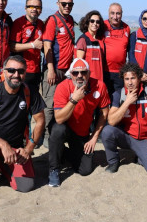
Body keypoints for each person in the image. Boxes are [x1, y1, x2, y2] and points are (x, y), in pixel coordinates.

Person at [0, 55, 45, 194]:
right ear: (3, 71)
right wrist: (3, 145)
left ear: (25, 73)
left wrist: (29, 148)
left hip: (16, 148)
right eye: (11, 70)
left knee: (25, 186)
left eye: (21, 71)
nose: (16, 75)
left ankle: (2, 166)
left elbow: (40, 120)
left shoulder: (30, 92)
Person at [47, 58, 110, 186]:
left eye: (83, 72)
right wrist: (74, 100)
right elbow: (59, 118)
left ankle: (62, 152)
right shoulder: (63, 87)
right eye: (76, 73)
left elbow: (104, 113)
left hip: (81, 131)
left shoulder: (100, 86)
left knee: (84, 170)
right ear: (71, 75)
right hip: (64, 126)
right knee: (58, 129)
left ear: (89, 73)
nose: (80, 76)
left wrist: (94, 138)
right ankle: (54, 169)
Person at [102, 62, 147, 175]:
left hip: (144, 139)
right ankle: (113, 161)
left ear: (139, 78)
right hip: (125, 137)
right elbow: (111, 121)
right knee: (107, 131)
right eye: (126, 79)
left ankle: (139, 156)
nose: (130, 82)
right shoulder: (119, 94)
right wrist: (127, 102)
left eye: (133, 78)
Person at [42, 0, 76, 143]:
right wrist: (50, 69)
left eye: (70, 4)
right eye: (64, 4)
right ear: (58, 4)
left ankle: (57, 135)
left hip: (66, 71)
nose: (67, 6)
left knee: (62, 103)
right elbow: (47, 45)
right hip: (54, 69)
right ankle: (45, 137)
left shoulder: (70, 21)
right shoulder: (53, 21)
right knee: (49, 105)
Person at [11, 0, 45, 94]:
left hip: (37, 70)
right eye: (31, 6)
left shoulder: (40, 24)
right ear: (25, 8)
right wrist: (32, 45)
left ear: (41, 10)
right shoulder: (19, 23)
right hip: (22, 70)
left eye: (38, 7)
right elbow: (12, 47)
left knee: (33, 100)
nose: (34, 9)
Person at [76, 10, 109, 86]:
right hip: (88, 81)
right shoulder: (83, 40)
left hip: (99, 81)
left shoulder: (99, 41)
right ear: (87, 23)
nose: (95, 24)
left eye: (97, 22)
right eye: (92, 21)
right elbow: (79, 64)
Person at [104, 3, 131, 94]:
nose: (115, 16)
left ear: (121, 14)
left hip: (120, 72)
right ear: (108, 14)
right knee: (103, 101)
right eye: (112, 13)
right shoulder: (102, 26)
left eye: (118, 13)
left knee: (118, 100)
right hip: (104, 71)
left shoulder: (126, 28)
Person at [128, 9, 147, 86]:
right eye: (144, 18)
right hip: (137, 78)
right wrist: (140, 73)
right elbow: (131, 56)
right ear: (141, 19)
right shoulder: (134, 36)